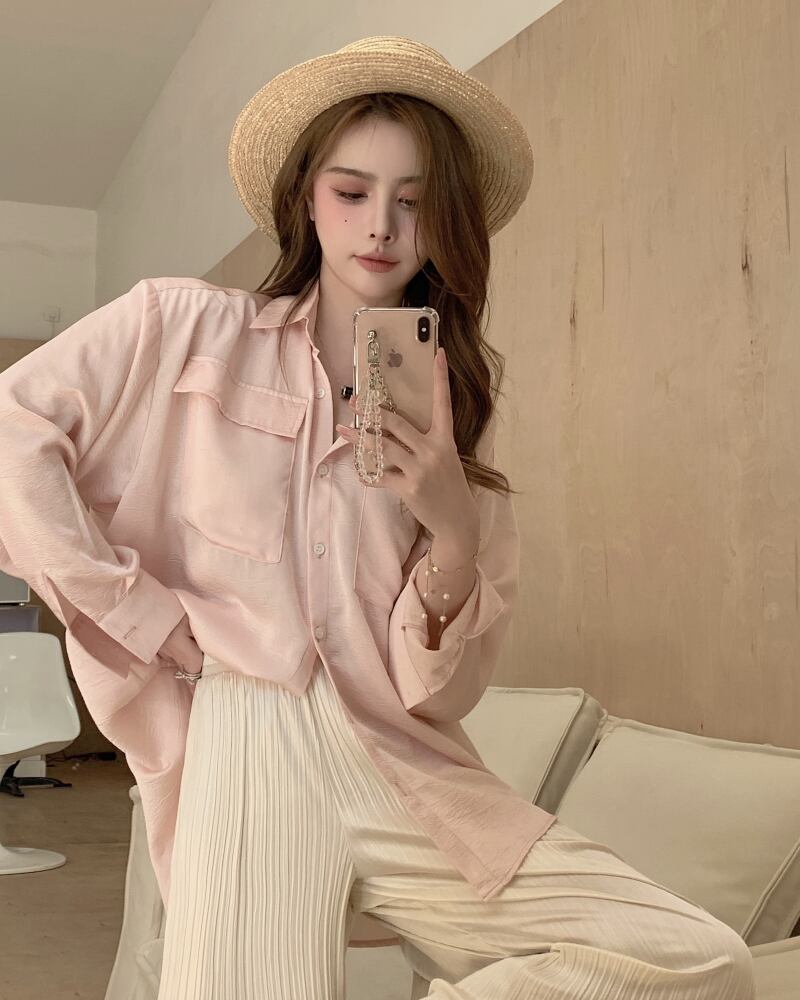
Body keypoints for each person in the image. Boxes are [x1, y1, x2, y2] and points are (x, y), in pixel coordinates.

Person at [0, 34, 755, 1000]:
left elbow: (433, 691)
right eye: (352, 191)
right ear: (307, 198)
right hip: (247, 727)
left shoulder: (453, 415)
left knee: (695, 955)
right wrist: (139, 613)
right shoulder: (184, 327)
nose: (381, 227)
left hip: (403, 758)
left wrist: (454, 530)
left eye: (414, 201)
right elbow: (15, 432)